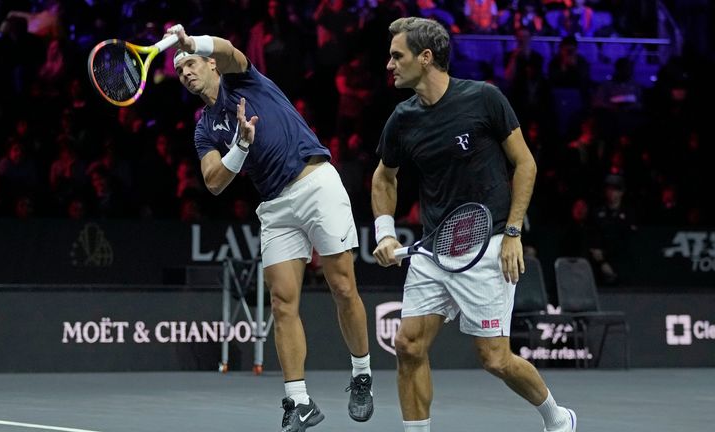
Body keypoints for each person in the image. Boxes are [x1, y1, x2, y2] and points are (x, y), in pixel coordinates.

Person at [371, 17, 577, 432]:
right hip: (434, 249)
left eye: (397, 56)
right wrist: (385, 232)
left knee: (495, 359)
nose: (389, 65)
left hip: (489, 244)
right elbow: (383, 177)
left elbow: (525, 164)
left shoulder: (484, 99)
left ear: (425, 58)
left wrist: (514, 233)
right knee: (408, 344)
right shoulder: (403, 119)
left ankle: (557, 418)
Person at [164, 24, 373, 431]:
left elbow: (231, 50)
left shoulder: (244, 79)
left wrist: (193, 42)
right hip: (275, 206)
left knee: (343, 286)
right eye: (180, 69)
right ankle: (299, 401)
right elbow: (213, 181)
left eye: (191, 63)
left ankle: (361, 374)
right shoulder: (204, 127)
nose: (186, 72)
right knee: (281, 302)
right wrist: (240, 147)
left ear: (211, 65)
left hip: (316, 183)